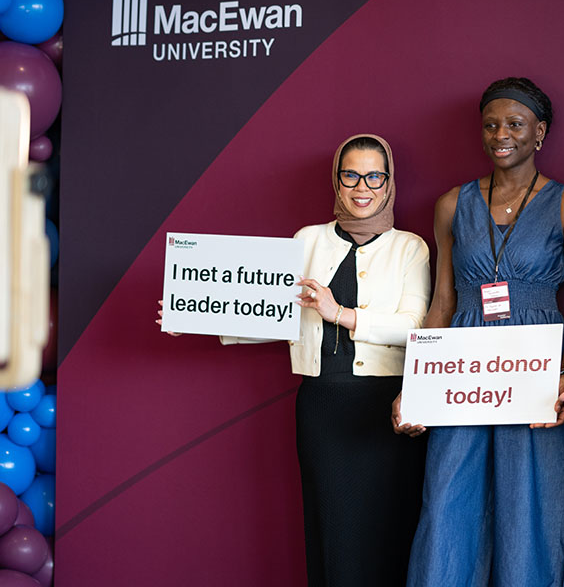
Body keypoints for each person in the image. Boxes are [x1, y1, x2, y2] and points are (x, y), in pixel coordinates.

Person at [159, 134, 431, 586]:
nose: (362, 187)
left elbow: (416, 328)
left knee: (387, 531)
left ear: (389, 183)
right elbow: (272, 313)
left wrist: (340, 314)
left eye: (374, 176)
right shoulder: (308, 240)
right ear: (337, 181)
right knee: (331, 532)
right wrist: (195, 315)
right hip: (322, 408)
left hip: (387, 408)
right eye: (350, 175)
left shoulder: (410, 247)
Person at [393, 77, 564, 586]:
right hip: (461, 372)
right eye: (490, 125)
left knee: (529, 510)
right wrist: (412, 388)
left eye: (514, 124)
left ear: (539, 132)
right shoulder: (450, 205)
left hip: (537, 378)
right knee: (447, 504)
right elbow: (442, 303)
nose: (500, 134)